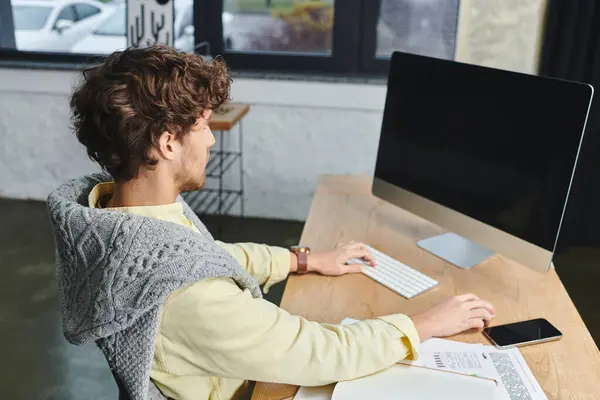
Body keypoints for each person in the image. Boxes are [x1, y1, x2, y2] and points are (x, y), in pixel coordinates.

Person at [47, 46, 496, 400]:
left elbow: (205, 258)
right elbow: (319, 352)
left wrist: (303, 260)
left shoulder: (109, 217)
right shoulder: (189, 293)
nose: (211, 140)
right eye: (204, 126)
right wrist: (424, 325)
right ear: (167, 143)